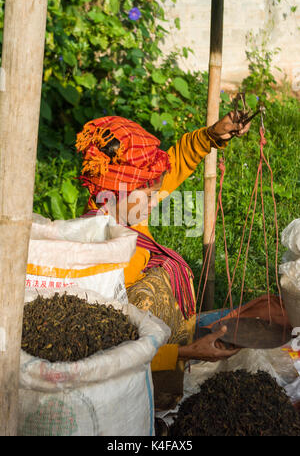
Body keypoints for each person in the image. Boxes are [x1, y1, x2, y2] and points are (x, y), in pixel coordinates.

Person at [76, 111, 251, 408]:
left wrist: (211, 135)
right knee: (150, 293)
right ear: (115, 191)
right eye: (148, 192)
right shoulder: (97, 258)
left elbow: (176, 162)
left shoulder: (123, 207)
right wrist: (186, 353)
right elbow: (106, 351)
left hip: (164, 351)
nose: (154, 200)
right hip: (128, 385)